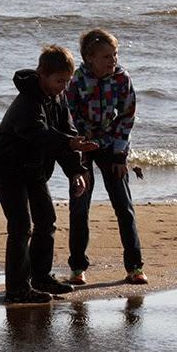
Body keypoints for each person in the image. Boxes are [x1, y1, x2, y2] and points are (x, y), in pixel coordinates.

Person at [0, 45, 98, 304]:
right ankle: (16, 288)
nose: (63, 86)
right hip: (9, 170)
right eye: (59, 80)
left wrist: (76, 171)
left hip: (34, 170)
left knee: (46, 221)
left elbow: (67, 134)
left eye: (67, 81)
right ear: (42, 75)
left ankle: (40, 277)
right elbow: (37, 133)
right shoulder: (28, 101)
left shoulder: (59, 99)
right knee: (21, 226)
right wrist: (70, 144)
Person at [65, 28, 147, 286]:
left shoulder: (122, 79)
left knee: (124, 206)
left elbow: (126, 118)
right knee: (80, 207)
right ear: (89, 58)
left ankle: (134, 267)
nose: (113, 60)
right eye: (106, 57)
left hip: (113, 146)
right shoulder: (76, 80)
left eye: (115, 54)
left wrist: (120, 156)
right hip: (82, 145)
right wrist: (81, 145)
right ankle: (77, 268)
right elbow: (68, 116)